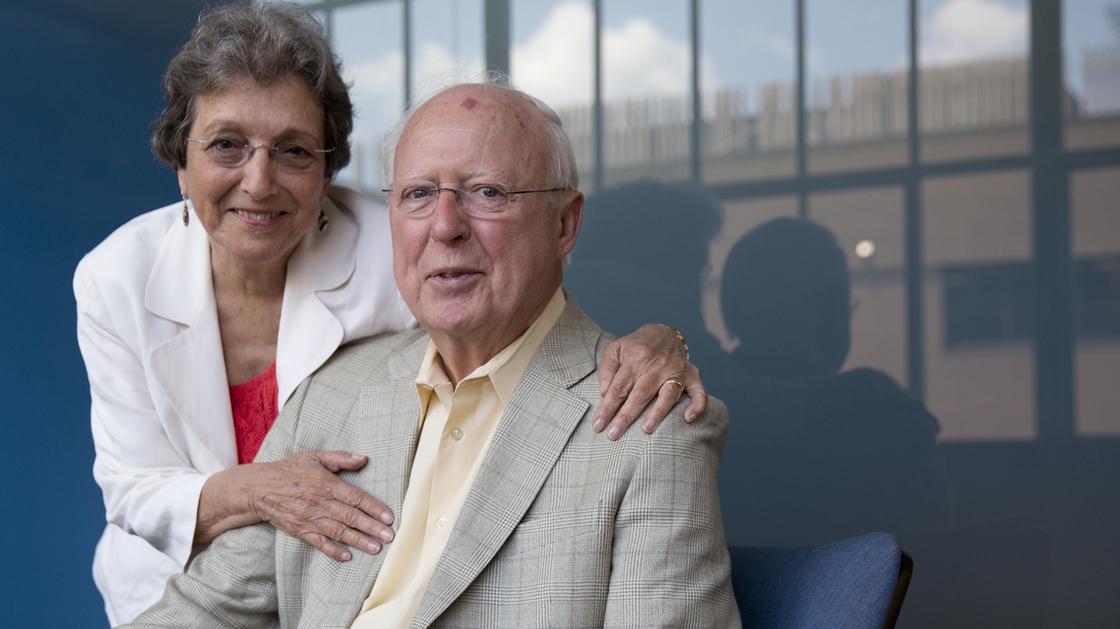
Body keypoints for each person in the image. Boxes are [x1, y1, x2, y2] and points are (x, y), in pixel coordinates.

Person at [74, 3, 706, 625]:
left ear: (327, 172)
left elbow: (526, 299)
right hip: (173, 572)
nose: (444, 228)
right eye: (226, 145)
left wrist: (663, 338)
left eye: (488, 192)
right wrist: (262, 489)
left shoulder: (400, 247)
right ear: (180, 163)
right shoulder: (130, 285)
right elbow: (155, 520)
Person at [717, 217, 955, 546]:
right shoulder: (892, 419)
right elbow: (937, 569)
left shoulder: (684, 426)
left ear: (731, 310)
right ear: (833, 309)